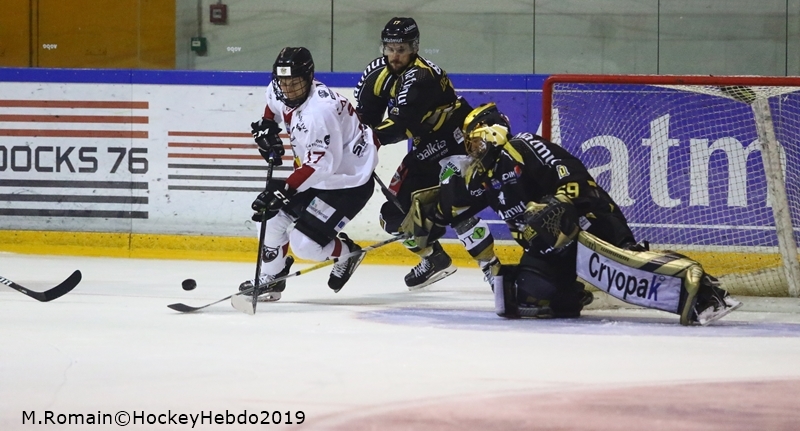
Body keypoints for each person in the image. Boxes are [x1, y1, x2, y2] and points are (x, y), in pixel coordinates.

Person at [411, 102, 742, 325]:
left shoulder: (523, 146)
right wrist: (424, 220)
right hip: (550, 247)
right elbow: (453, 209)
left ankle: (704, 291)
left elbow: (573, 178)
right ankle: (570, 293)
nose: (472, 152)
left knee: (629, 266)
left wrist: (554, 207)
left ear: (490, 132)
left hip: (588, 222)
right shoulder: (487, 177)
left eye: (474, 143)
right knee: (521, 299)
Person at [354, 17, 498, 290]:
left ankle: (493, 269)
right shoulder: (377, 73)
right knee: (394, 214)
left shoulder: (422, 76)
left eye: (402, 49)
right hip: (426, 148)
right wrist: (354, 138)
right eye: (390, 48)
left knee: (456, 206)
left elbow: (400, 126)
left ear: (415, 47)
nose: (395, 55)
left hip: (457, 142)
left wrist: (364, 141)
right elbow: (365, 119)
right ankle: (434, 258)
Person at [240, 47, 379, 301]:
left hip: (347, 182)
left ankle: (347, 253)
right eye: (283, 82)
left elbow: (321, 166)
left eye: (295, 83)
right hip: (316, 174)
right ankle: (271, 279)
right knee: (268, 219)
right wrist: (268, 126)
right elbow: (272, 106)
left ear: (309, 78)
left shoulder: (320, 112)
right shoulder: (280, 89)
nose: (288, 89)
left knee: (305, 245)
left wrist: (285, 190)